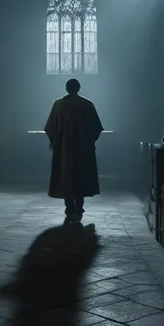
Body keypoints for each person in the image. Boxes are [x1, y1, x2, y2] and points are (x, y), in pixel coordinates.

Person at [44, 78, 104, 223]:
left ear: (67, 88)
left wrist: (55, 142)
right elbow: (96, 128)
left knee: (67, 178)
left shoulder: (58, 105)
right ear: (78, 88)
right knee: (81, 178)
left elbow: (49, 128)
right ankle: (79, 209)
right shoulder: (87, 104)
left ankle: (69, 209)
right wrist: (90, 142)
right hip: (83, 150)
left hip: (64, 151)